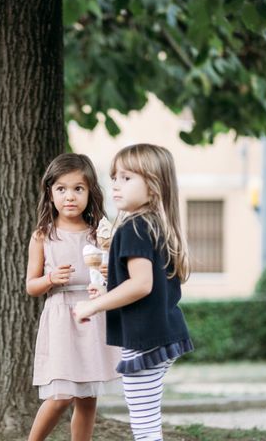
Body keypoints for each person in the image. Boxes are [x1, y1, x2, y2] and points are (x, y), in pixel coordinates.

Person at [74, 144, 194, 441]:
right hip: (161, 334)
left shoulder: (134, 228)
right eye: (115, 177)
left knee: (144, 424)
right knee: (147, 418)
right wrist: (107, 286)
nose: (116, 184)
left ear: (154, 187)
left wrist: (95, 305)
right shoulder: (153, 225)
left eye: (127, 178)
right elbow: (144, 282)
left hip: (145, 339)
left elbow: (141, 285)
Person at [26, 153, 121, 441]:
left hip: (93, 313)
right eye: (62, 189)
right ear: (50, 192)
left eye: (78, 189)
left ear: (90, 191)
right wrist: (51, 278)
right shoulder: (43, 235)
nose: (70, 196)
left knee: (88, 396)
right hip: (61, 316)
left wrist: (109, 273)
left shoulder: (101, 233)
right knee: (62, 394)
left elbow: (118, 280)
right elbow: (31, 285)